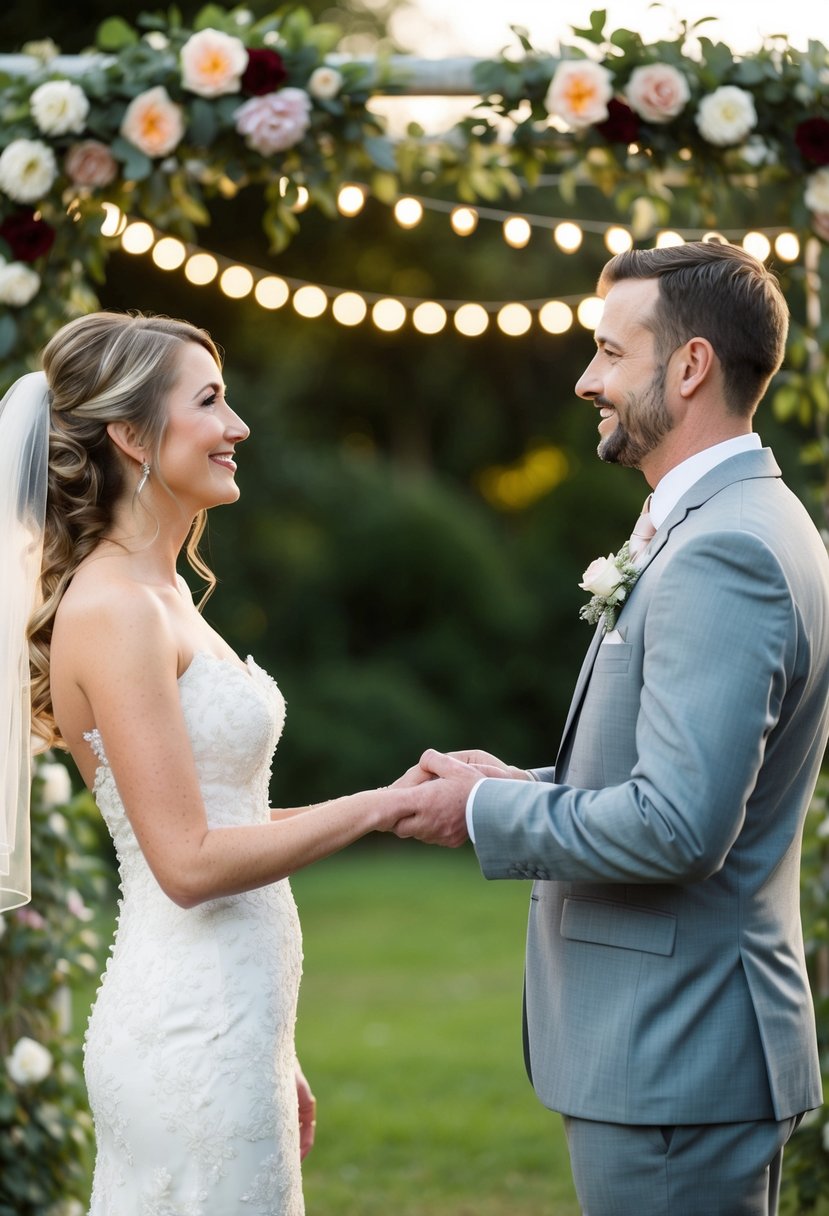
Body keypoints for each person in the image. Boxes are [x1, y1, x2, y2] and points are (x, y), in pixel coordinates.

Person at [393, 241, 829, 1215]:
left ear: (688, 367)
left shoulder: (726, 549)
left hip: (679, 1048)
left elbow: (678, 824)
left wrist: (489, 811)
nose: (586, 380)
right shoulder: (729, 520)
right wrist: (519, 782)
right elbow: (684, 769)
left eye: (606, 351)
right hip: (674, 1047)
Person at [0, 311, 427, 1215]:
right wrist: (380, 809)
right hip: (184, 1033)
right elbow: (188, 863)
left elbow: (219, 815)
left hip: (232, 1030)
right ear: (128, 435)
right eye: (210, 402)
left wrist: (272, 1048)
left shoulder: (167, 594)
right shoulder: (117, 608)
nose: (237, 428)